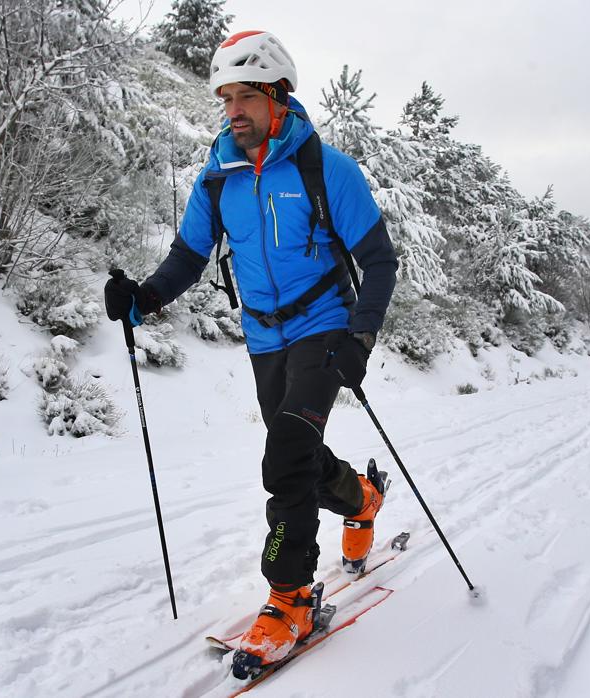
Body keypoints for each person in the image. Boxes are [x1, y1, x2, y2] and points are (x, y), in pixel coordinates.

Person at [104, 29, 398, 669]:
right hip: (264, 336)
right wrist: (142, 300)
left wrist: (362, 336)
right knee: (300, 453)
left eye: (244, 96)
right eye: (225, 98)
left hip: (323, 325)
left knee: (286, 453)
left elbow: (378, 261)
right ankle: (363, 502)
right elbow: (189, 255)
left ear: (278, 96)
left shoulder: (326, 168)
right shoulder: (218, 177)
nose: (232, 110)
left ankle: (290, 599)